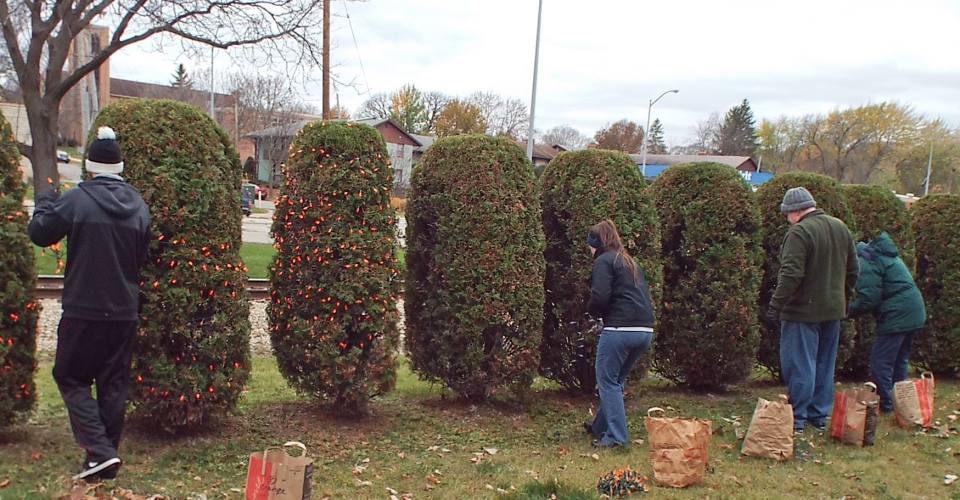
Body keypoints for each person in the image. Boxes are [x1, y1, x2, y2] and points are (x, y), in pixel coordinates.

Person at [28, 127, 151, 481]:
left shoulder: (77, 199)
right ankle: (103, 461)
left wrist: (44, 201)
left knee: (70, 376)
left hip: (84, 309)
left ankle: (99, 452)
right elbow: (140, 258)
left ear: (90, 166)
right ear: (120, 168)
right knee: (113, 384)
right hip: (125, 311)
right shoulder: (139, 206)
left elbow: (40, 233)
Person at [765, 187, 858, 435]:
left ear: (795, 211)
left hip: (801, 312)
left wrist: (776, 304)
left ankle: (796, 418)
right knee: (824, 364)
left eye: (787, 214)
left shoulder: (800, 232)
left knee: (799, 365)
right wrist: (843, 298)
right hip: (833, 311)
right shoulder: (841, 227)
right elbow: (854, 270)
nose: (787, 219)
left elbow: (791, 273)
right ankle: (818, 416)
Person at [583, 219, 655, 447]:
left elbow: (600, 296)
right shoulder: (628, 261)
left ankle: (616, 438)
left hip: (620, 329)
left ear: (594, 243)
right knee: (616, 380)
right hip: (644, 330)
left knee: (607, 380)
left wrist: (590, 312)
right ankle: (600, 427)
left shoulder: (603, 261)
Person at [846, 232, 926, 413]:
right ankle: (901, 404)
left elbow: (869, 299)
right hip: (914, 308)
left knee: (880, 361)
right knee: (899, 359)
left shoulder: (865, 262)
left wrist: (845, 311)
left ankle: (887, 405)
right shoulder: (878, 255)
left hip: (898, 313)